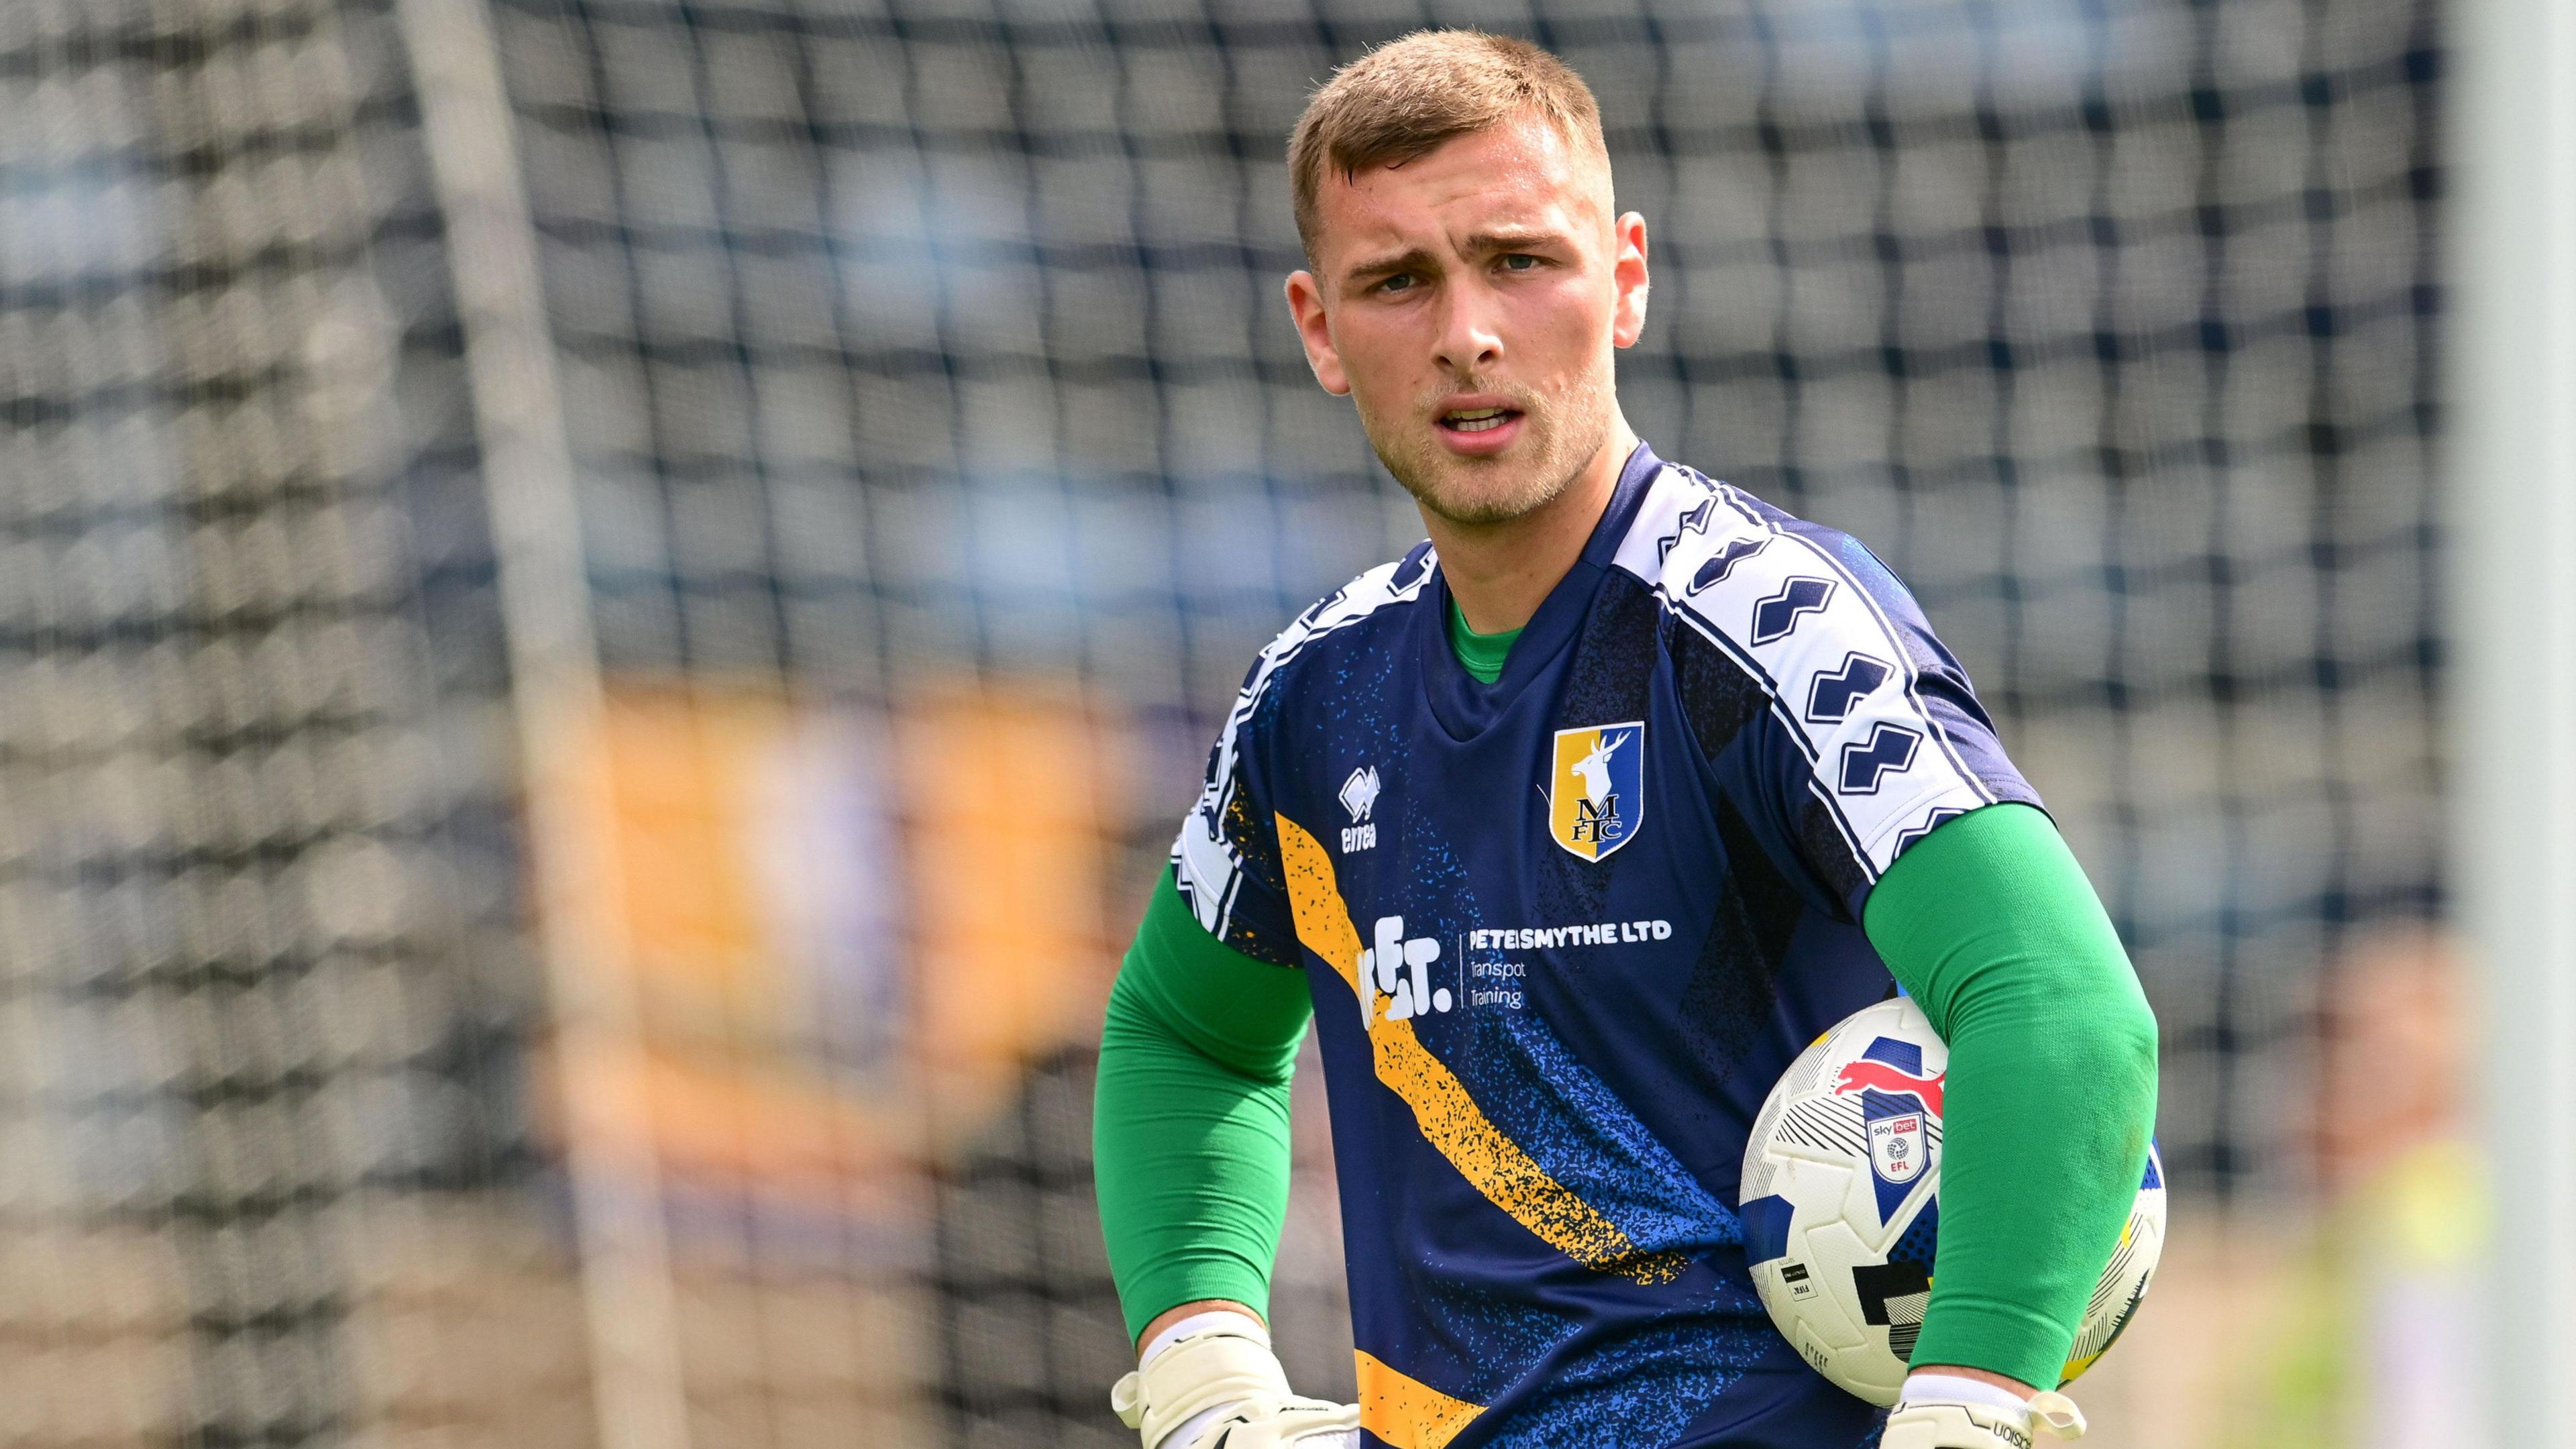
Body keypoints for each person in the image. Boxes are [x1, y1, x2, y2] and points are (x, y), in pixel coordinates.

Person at [1092, 30, 2158, 1449]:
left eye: (1519, 260)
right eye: (1399, 281)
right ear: (1317, 329)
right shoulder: (1313, 694)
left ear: (1627, 278)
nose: (1467, 330)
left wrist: (1972, 1397)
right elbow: (1183, 1034)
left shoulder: (1773, 627)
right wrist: (1200, 1361)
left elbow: (2067, 1011)